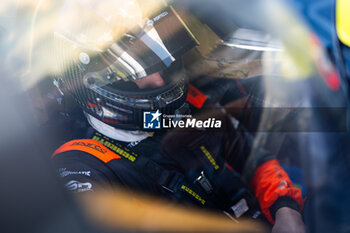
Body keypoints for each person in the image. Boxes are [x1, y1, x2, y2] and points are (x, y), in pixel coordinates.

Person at [51, 0, 305, 232]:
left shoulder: (189, 104)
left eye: (162, 61)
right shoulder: (81, 165)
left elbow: (251, 154)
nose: (159, 79)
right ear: (93, 83)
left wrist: (285, 208)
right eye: (137, 72)